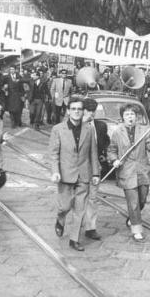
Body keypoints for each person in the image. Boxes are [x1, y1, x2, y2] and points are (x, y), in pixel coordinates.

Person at [49, 96, 100, 251]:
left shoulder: (89, 129)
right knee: (64, 207)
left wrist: (96, 174)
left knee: (80, 209)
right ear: (68, 111)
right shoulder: (58, 129)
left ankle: (74, 239)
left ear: (83, 111)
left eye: (79, 109)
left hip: (83, 175)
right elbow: (53, 153)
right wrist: (55, 171)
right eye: (73, 109)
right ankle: (60, 219)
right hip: (65, 174)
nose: (77, 112)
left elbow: (93, 153)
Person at [108, 103, 150, 242]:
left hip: (142, 170)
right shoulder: (117, 132)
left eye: (132, 114)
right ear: (122, 117)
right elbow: (111, 150)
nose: (130, 117)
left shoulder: (144, 130)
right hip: (127, 171)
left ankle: (132, 217)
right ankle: (136, 229)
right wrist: (114, 160)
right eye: (127, 114)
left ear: (136, 117)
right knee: (133, 202)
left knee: (142, 199)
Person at [82, 97, 110, 241]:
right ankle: (73, 219)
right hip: (78, 168)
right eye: (88, 111)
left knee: (93, 198)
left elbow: (105, 141)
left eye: (93, 111)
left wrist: (103, 155)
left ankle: (90, 228)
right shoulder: (75, 125)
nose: (91, 114)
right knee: (77, 198)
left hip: (94, 167)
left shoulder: (101, 126)